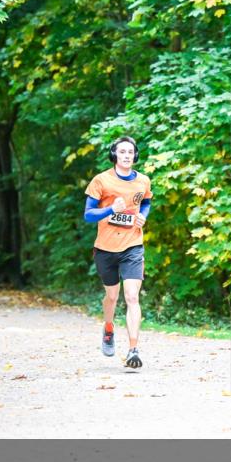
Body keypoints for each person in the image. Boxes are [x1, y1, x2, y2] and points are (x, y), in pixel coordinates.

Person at [83, 136, 153, 369]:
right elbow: (88, 215)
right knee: (112, 297)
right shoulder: (101, 180)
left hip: (133, 245)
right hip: (105, 248)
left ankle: (133, 350)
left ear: (135, 155)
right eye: (122, 152)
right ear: (114, 154)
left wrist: (144, 215)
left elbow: (146, 202)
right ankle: (109, 327)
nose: (126, 156)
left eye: (130, 152)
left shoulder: (143, 181)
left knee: (132, 296)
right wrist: (111, 209)